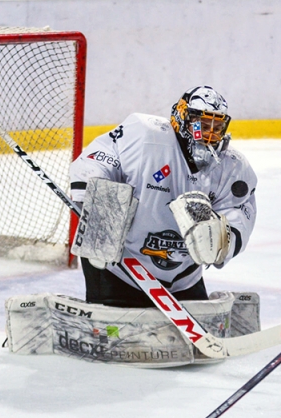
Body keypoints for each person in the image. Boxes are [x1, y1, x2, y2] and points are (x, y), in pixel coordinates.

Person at [69, 85, 257, 308]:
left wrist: (224, 240)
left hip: (184, 276)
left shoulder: (232, 167)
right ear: (182, 119)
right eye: (202, 124)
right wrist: (101, 212)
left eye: (217, 127)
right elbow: (99, 157)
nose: (209, 133)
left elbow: (240, 210)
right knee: (115, 336)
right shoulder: (145, 135)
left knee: (191, 341)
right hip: (119, 266)